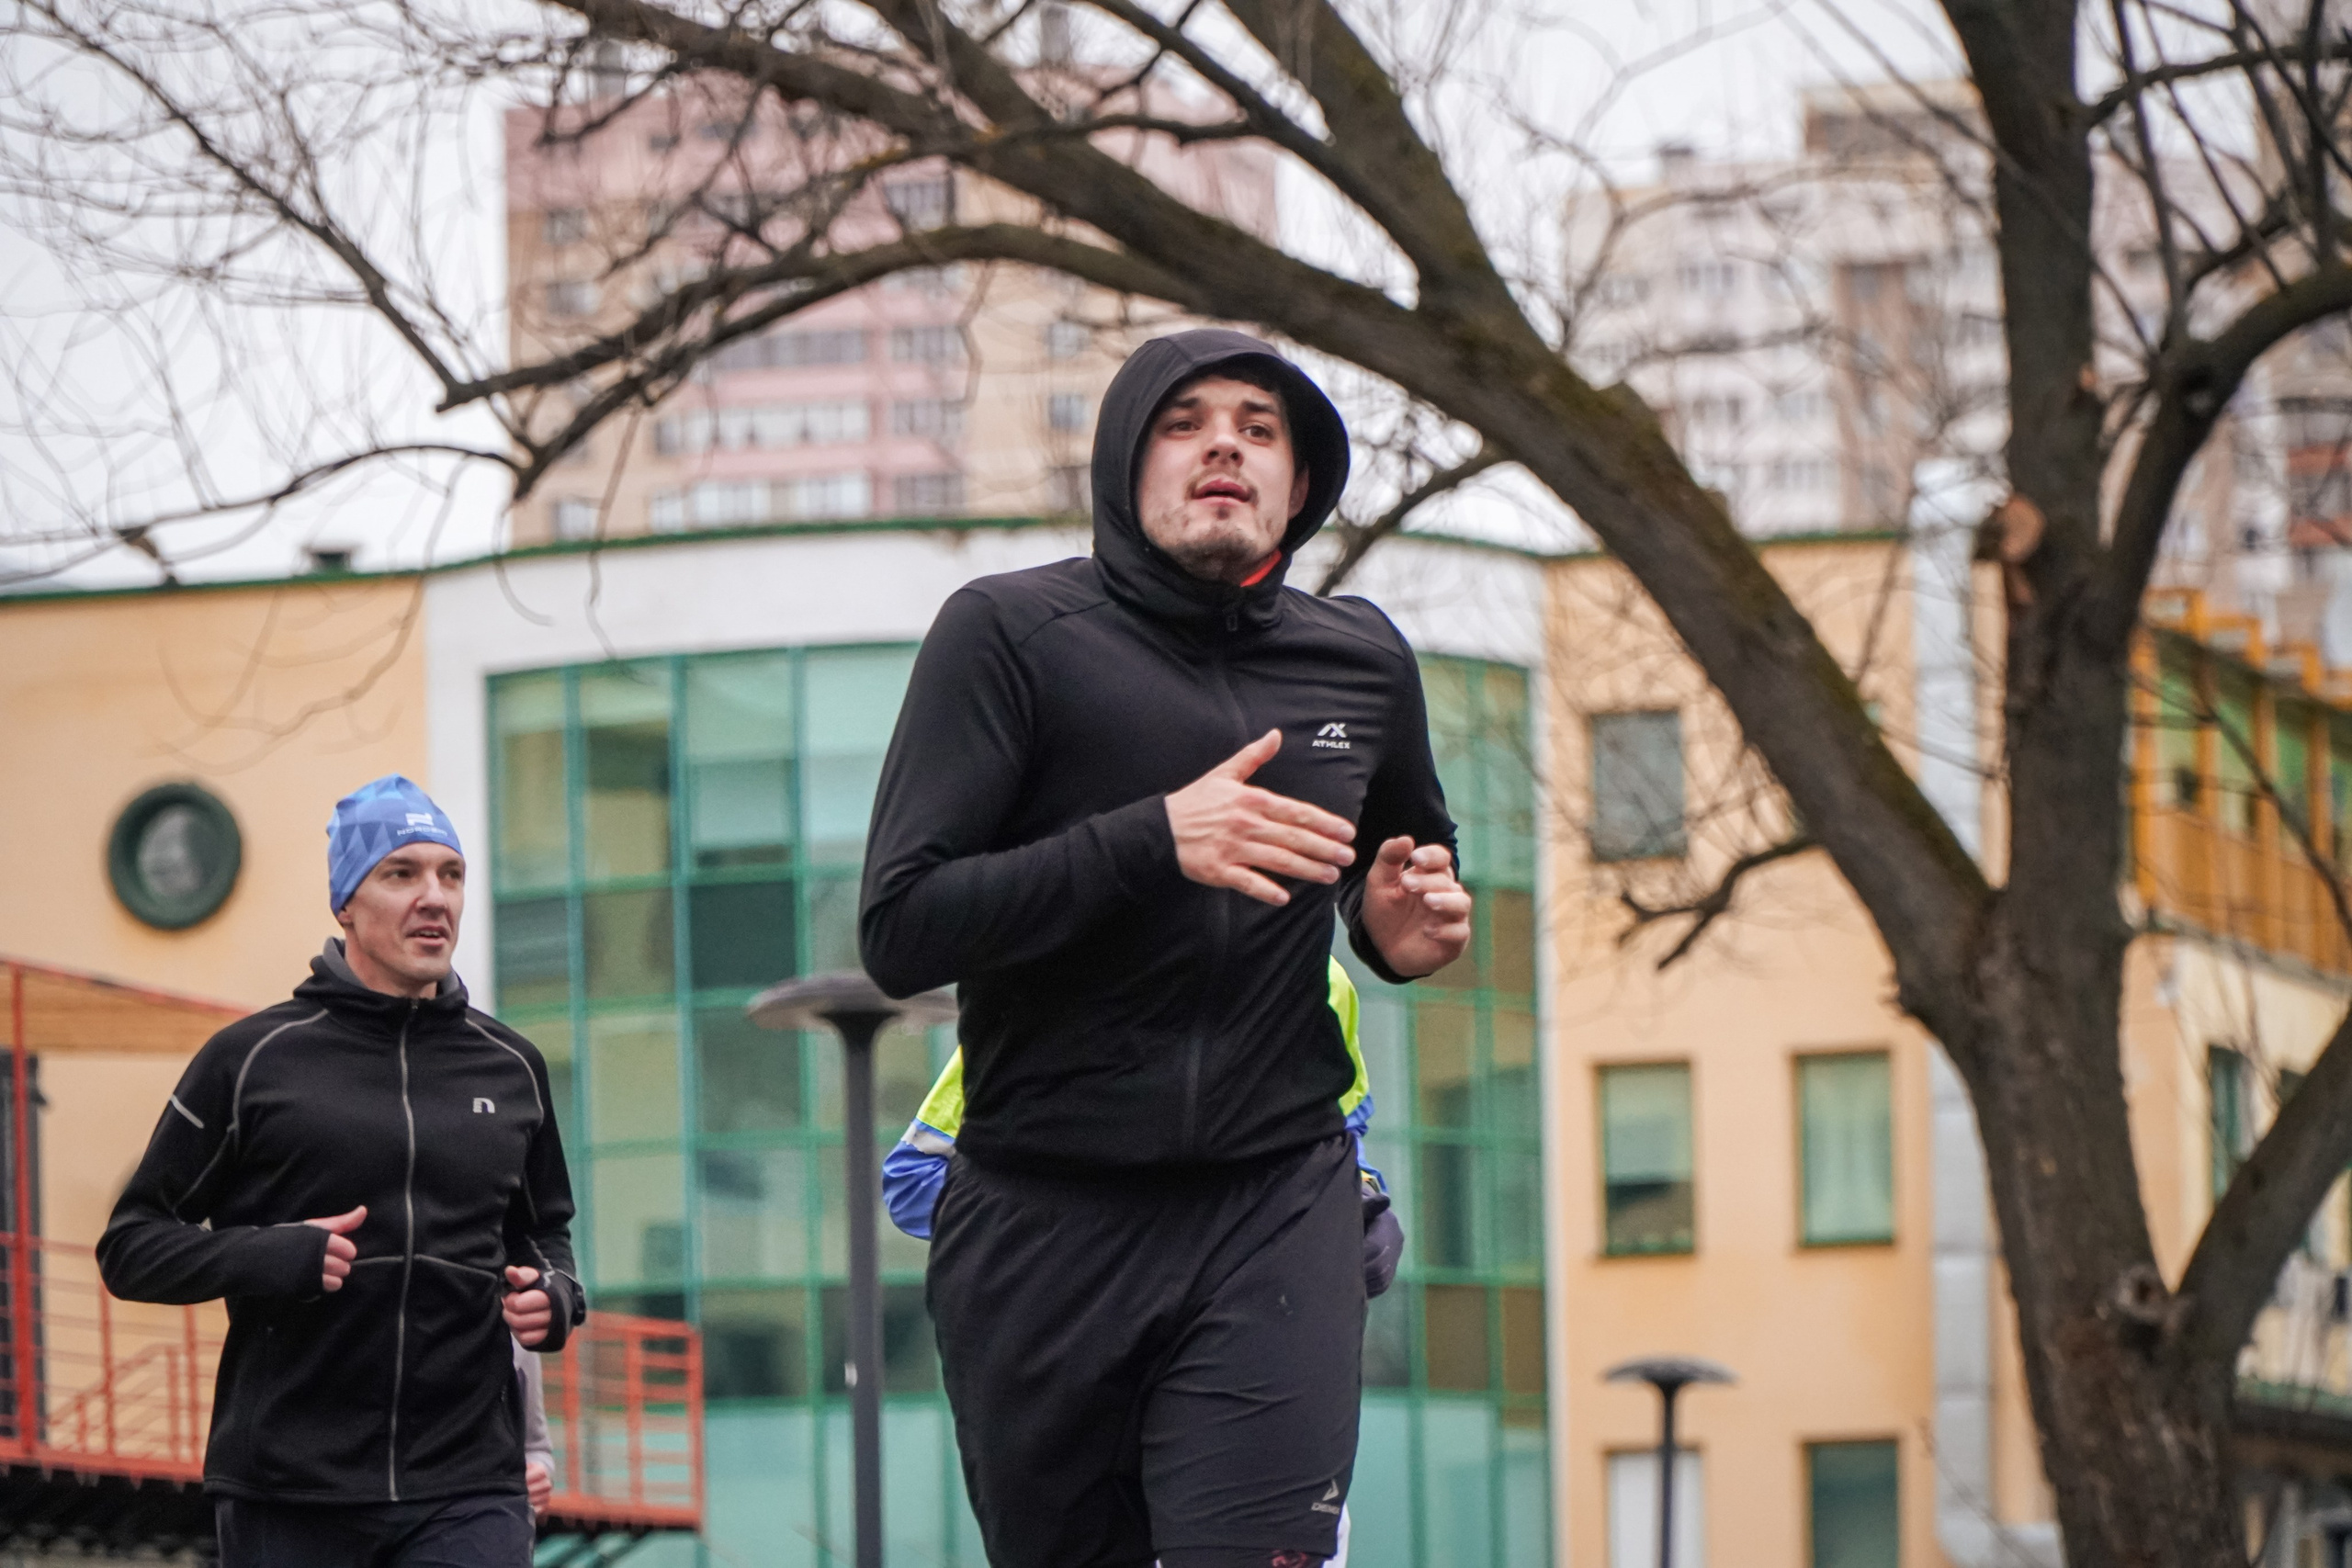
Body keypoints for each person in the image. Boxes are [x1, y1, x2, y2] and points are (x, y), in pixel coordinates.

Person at [861, 328, 1470, 1568]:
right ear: (1126, 465)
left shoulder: (1358, 660)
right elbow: (903, 923)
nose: (1225, 446)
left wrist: (1402, 934)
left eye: (1259, 427)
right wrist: (1150, 840)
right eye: (1186, 421)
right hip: (1044, 1215)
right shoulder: (1010, 636)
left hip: (1272, 1197)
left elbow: (1401, 874)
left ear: (1300, 484)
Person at [98, 774, 584, 1568]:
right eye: (402, 873)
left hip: (468, 1484)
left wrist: (559, 1296)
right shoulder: (251, 1060)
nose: (435, 897)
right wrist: (268, 1255)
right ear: (346, 904)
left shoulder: (511, 1068)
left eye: (450, 874)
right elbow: (130, 1244)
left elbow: (543, 1228)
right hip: (290, 1491)